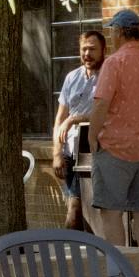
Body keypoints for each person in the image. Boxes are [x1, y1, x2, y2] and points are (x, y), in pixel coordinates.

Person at [88, 9, 139, 248]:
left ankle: (118, 268)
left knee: (111, 213)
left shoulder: (114, 63)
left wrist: (92, 136)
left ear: (120, 32)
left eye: (112, 31)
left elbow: (101, 103)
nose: (111, 36)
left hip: (116, 147)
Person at [52, 29, 105, 232]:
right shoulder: (71, 77)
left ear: (103, 50)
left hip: (93, 150)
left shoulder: (109, 77)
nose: (87, 54)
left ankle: (67, 247)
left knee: (76, 209)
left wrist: (75, 119)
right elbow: (59, 119)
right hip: (69, 151)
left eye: (92, 49)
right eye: (84, 49)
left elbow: (110, 114)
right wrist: (57, 154)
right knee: (77, 208)